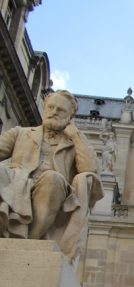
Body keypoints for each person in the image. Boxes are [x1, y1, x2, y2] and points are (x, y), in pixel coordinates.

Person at [0, 89, 103, 261]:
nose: (54, 112)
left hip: (53, 187)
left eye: (60, 110)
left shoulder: (73, 144)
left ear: (70, 117)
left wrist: (76, 136)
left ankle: (31, 242)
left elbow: (90, 169)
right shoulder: (20, 133)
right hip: (17, 180)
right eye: (51, 107)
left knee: (52, 179)